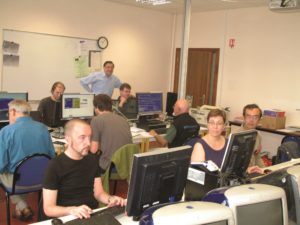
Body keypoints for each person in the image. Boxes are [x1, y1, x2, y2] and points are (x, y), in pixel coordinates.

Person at [42, 119, 125, 219]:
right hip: (67, 216)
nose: (88, 143)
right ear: (68, 139)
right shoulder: (55, 165)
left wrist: (110, 199)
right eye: (82, 137)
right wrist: (72, 210)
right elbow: (48, 209)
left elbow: (98, 193)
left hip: (90, 213)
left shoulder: (92, 159)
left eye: (90, 137)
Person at [0, 100, 55, 221]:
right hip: (41, 179)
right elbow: (52, 156)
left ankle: (22, 206)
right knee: (21, 170)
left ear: (13, 112)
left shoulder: (6, 131)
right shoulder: (43, 128)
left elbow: (1, 165)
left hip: (18, 183)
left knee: (8, 172)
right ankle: (20, 211)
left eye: (8, 113)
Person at [90, 94, 132, 174]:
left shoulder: (96, 120)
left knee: (84, 159)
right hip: (125, 165)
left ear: (97, 107)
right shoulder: (123, 119)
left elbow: (93, 150)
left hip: (109, 167)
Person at [237, 103, 265, 168]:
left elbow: (257, 157)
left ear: (259, 119)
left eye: (255, 117)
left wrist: (265, 170)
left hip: (253, 171)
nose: (251, 120)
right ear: (244, 117)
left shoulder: (257, 135)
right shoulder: (235, 136)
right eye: (248, 116)